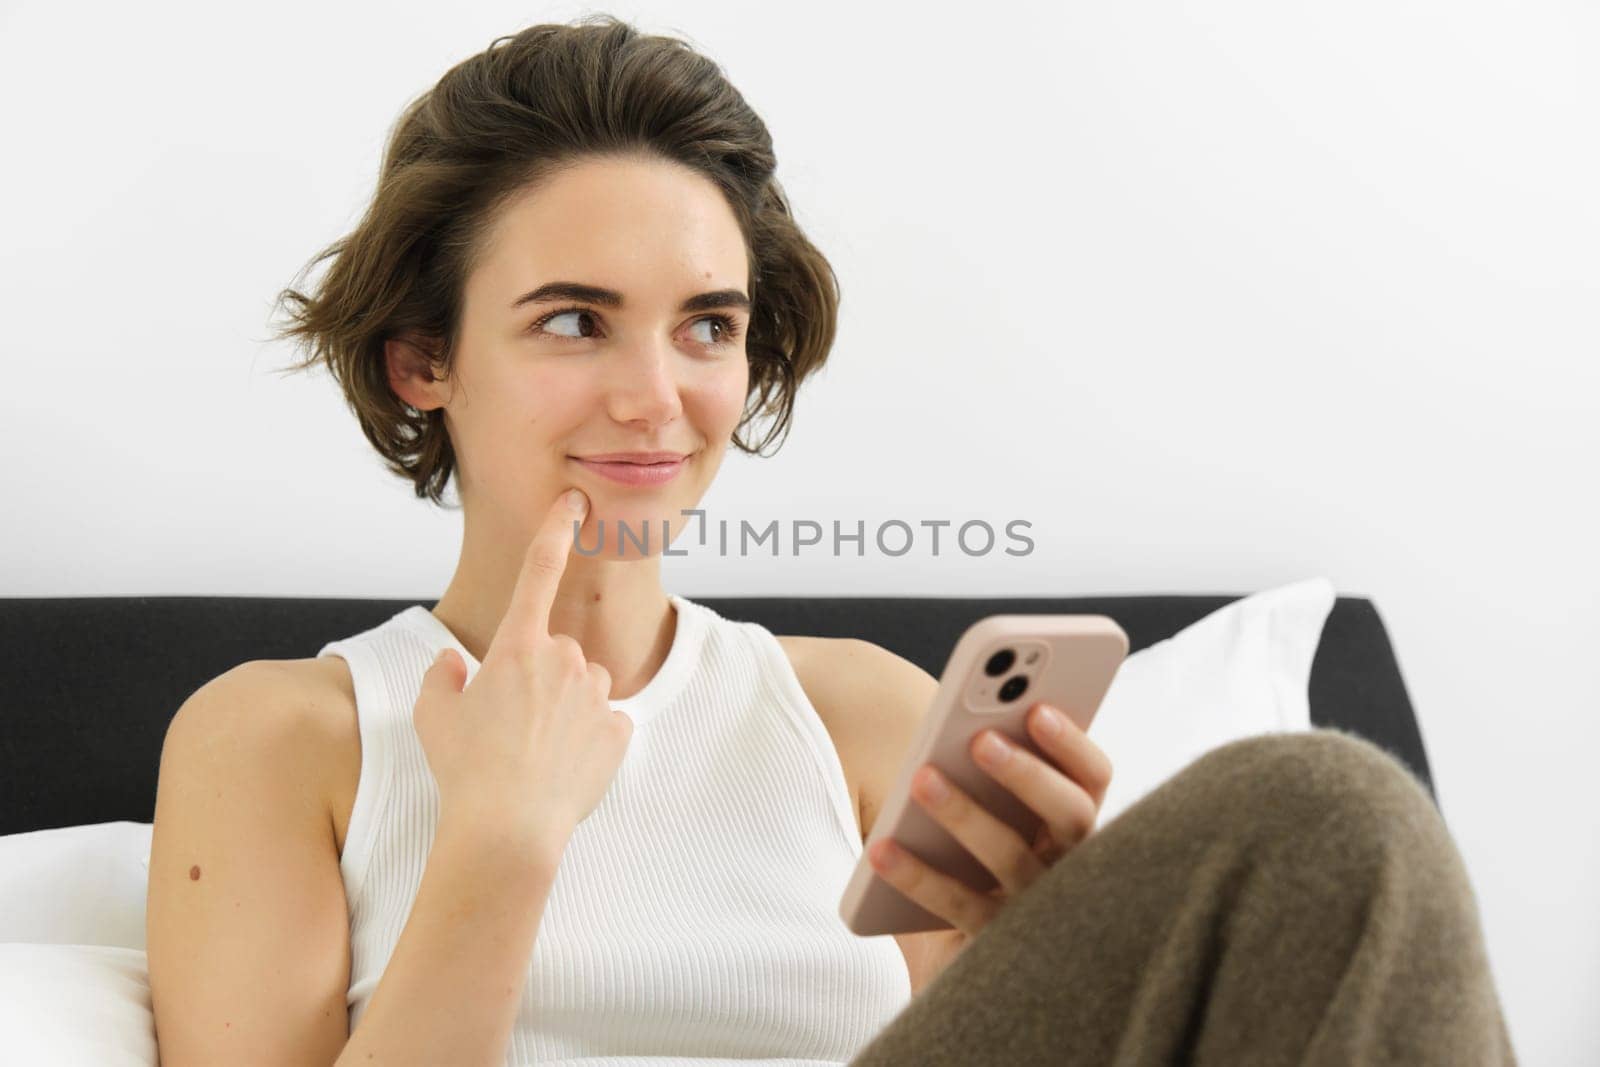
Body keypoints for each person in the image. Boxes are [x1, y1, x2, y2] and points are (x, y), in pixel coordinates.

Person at [145, 14, 1517, 1066]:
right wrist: (501, 840)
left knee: (1333, 833)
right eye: (573, 321)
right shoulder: (283, 740)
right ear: (421, 364)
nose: (654, 395)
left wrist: (1021, 951)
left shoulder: (857, 715)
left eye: (709, 326)